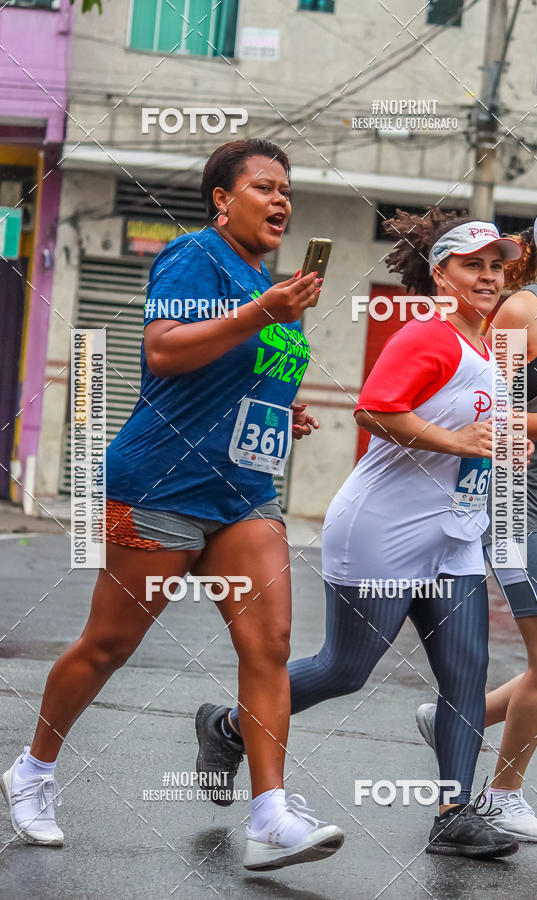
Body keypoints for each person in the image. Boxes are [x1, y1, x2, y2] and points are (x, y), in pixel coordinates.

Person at [1, 138, 345, 872]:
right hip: (159, 484)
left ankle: (270, 814)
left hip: (242, 492)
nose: (281, 199)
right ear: (222, 199)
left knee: (270, 647)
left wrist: (283, 411)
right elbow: (164, 351)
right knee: (109, 645)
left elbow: (233, 375)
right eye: (263, 186)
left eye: (287, 187)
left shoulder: (268, 280)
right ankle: (31, 772)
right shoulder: (198, 257)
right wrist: (263, 312)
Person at [195, 208, 523, 859]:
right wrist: (454, 439)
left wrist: (506, 447)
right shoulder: (426, 335)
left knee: (466, 672)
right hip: (383, 529)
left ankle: (454, 814)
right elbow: (376, 408)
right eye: (472, 265)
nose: (487, 277)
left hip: (454, 531)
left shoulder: (494, 346)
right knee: (346, 670)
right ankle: (228, 726)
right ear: (440, 275)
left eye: (496, 266)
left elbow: (480, 429)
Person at [417, 192, 537, 843]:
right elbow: (486, 409)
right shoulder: (527, 311)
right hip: (523, 507)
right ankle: (500, 796)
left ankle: (454, 718)